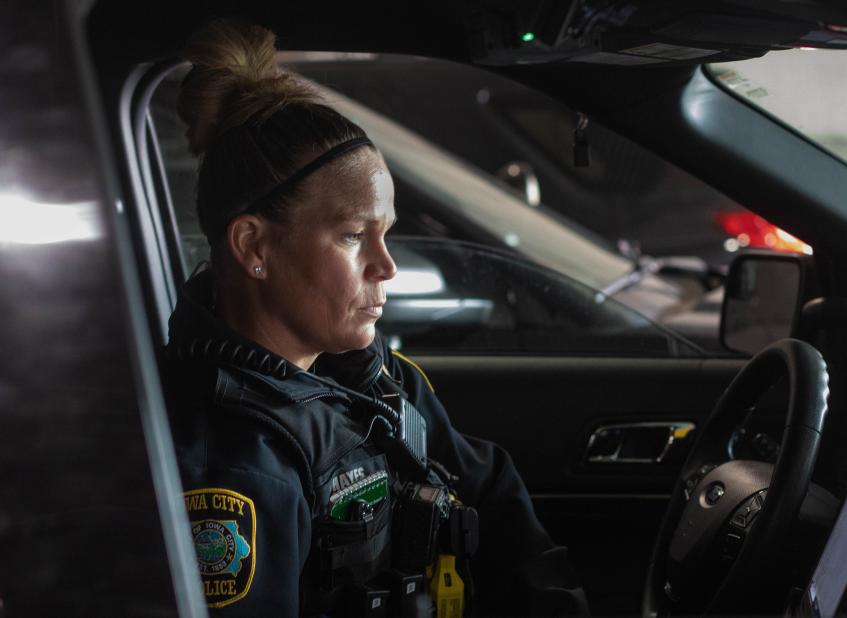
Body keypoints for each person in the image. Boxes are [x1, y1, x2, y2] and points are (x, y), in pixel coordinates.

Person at [160, 20, 590, 617]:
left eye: (385, 234)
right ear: (254, 247)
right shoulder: (232, 465)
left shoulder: (368, 376)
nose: (386, 266)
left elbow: (485, 485)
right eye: (353, 236)